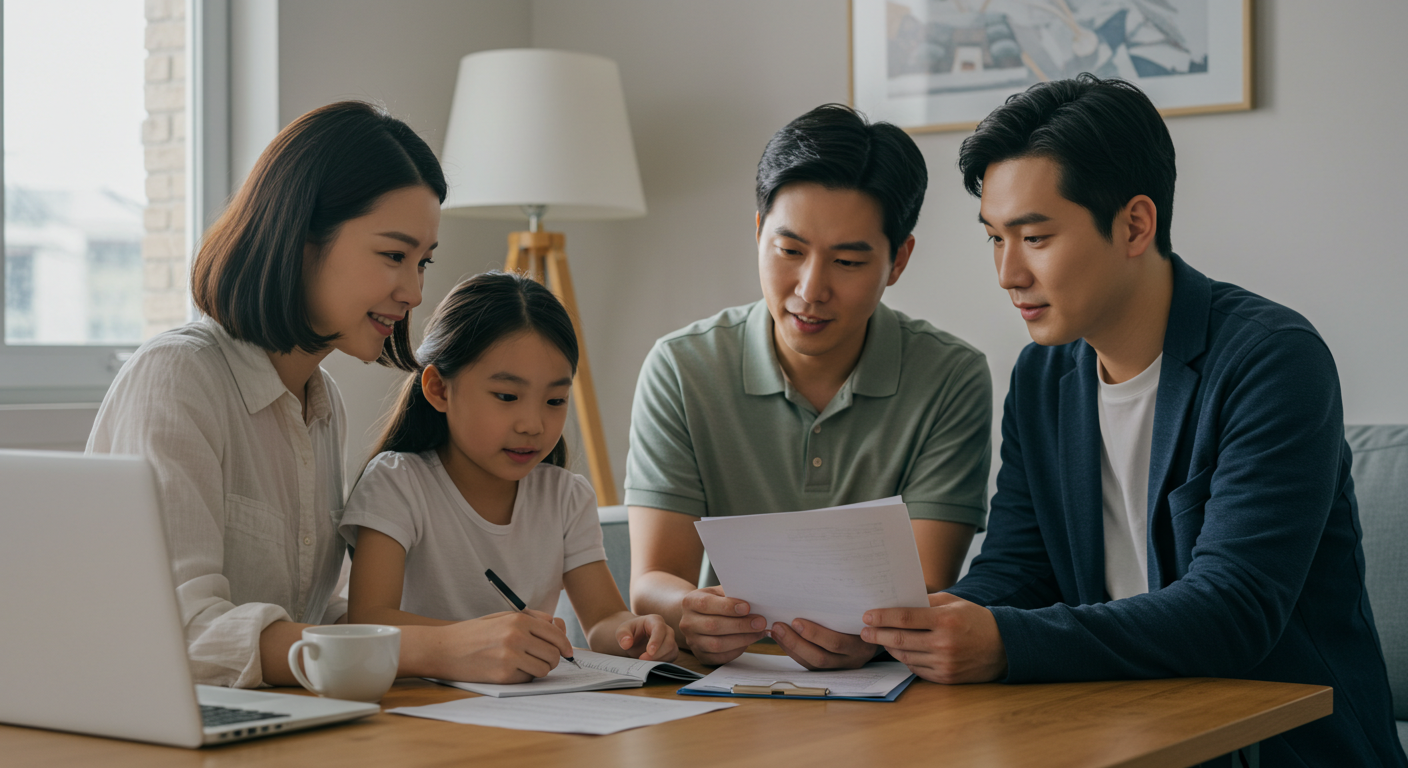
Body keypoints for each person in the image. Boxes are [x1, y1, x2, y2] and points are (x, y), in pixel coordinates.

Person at [859, 74, 1408, 765]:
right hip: (1117, 732)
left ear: (1134, 225)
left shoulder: (1272, 361)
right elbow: (1017, 572)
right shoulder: (1043, 377)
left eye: (1034, 237)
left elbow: (1234, 609)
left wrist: (1005, 641)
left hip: (1276, 747)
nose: (1007, 273)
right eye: (995, 238)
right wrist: (902, 629)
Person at [87, 102, 567, 689]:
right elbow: (183, 637)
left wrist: (475, 642)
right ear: (302, 237)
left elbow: (312, 620)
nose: (415, 291)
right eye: (394, 255)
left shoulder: (322, 403)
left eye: (423, 263)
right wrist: (438, 648)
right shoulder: (177, 379)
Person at [626, 104, 992, 670]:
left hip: (887, 691)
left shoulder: (950, 377)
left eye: (846, 261)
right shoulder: (682, 367)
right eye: (789, 251)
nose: (810, 289)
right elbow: (652, 581)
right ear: (757, 232)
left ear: (898, 261)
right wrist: (689, 610)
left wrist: (865, 639)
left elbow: (920, 589)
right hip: (728, 680)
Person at [340, 273, 678, 683]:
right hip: (418, 706)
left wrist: (632, 632)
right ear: (439, 389)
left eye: (555, 400)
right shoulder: (398, 484)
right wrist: (481, 639)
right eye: (506, 397)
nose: (533, 424)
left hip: (527, 717)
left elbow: (604, 618)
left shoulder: (565, 497)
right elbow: (368, 619)